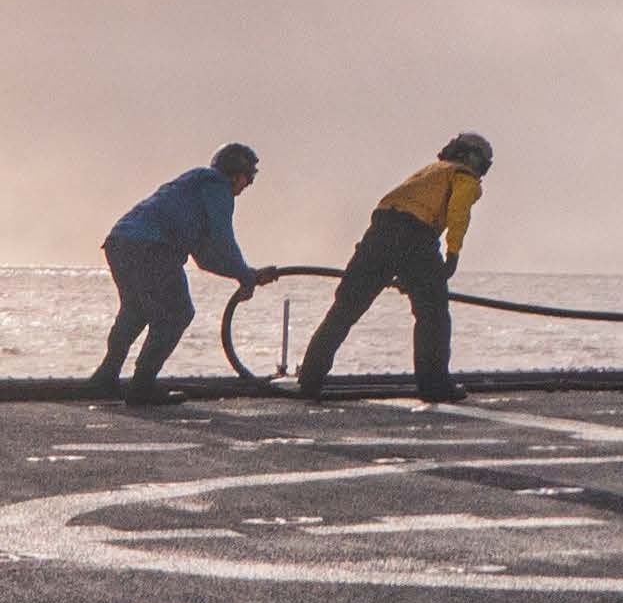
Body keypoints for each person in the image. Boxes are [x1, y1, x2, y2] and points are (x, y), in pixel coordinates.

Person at [295, 134, 490, 403]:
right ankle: (434, 387)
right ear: (475, 160)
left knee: (345, 308)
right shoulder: (463, 176)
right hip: (416, 236)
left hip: (379, 231)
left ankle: (309, 379)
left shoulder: (429, 172)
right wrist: (452, 253)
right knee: (432, 314)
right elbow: (458, 212)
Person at [93, 144, 263, 405]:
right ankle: (142, 386)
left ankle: (105, 377)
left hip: (121, 243)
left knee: (135, 310)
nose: (247, 186)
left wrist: (243, 274)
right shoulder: (217, 187)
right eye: (248, 178)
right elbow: (223, 239)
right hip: (152, 248)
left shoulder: (192, 187)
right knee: (177, 314)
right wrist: (243, 274)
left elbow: (205, 259)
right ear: (236, 174)